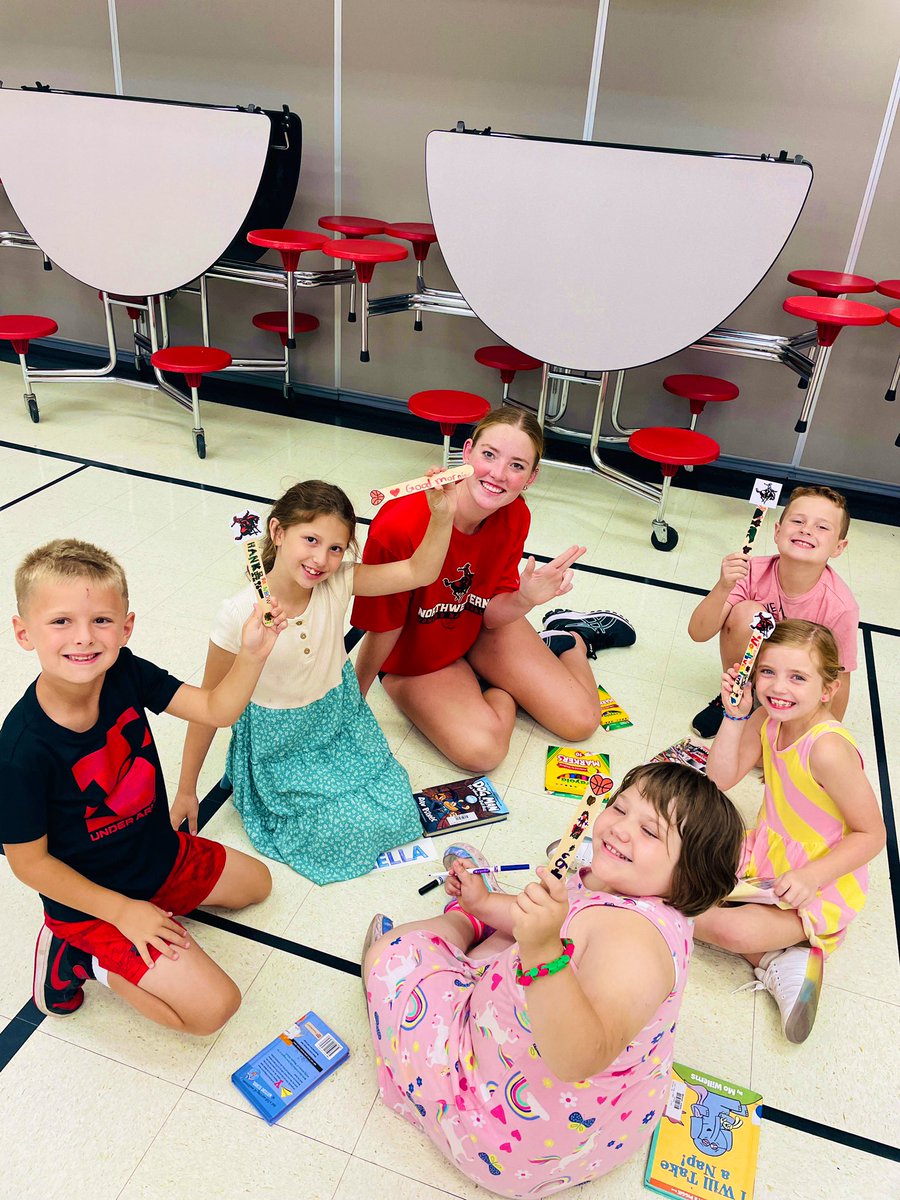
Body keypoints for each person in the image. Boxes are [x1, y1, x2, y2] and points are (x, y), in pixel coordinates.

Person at [362, 762, 744, 1198]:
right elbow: (564, 928)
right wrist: (489, 902)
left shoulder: (633, 942)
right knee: (518, 929)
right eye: (619, 808)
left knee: (394, 954)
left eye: (650, 832)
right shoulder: (637, 894)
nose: (620, 830)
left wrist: (542, 948)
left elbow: (580, 1057)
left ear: (691, 876)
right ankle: (480, 918)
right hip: (605, 1127)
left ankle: (461, 925)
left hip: (500, 1140)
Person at [0, 538, 285, 1032]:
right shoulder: (19, 751)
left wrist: (253, 653)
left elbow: (216, 709)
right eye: (61, 621)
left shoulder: (126, 671)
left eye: (102, 621)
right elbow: (29, 863)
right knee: (212, 1009)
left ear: (126, 626)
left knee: (258, 885)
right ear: (25, 633)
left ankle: (155, 907)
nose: (85, 638)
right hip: (93, 902)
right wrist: (123, 912)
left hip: (159, 856)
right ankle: (77, 957)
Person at [172, 477, 456, 885]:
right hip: (280, 746)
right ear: (277, 532)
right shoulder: (237, 613)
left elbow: (419, 570)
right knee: (333, 834)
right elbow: (206, 705)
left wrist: (441, 515)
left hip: (337, 723)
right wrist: (186, 789)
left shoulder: (339, 580)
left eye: (335, 548)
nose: (321, 559)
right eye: (310, 539)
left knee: (396, 810)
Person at [352, 408, 635, 772]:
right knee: (482, 753)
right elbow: (382, 624)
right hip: (414, 658)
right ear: (466, 452)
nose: (498, 474)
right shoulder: (399, 524)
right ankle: (490, 683)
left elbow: (489, 611)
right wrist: (354, 699)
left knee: (581, 722)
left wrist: (525, 598)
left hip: (477, 629)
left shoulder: (515, 515)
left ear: (532, 477)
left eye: (517, 465)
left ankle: (571, 638)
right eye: (489, 455)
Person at [696, 620, 885, 1043]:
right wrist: (733, 714)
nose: (778, 687)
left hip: (819, 878)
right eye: (768, 672)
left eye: (797, 677)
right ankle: (777, 961)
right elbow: (721, 776)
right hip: (765, 853)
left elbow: (872, 834)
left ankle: (658, 901)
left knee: (732, 930)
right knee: (690, 837)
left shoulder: (827, 748)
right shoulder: (767, 717)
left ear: (828, 689)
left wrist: (811, 877)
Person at [688, 485, 858, 737]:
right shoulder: (752, 571)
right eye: (798, 520)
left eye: (822, 527)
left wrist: (825, 734)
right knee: (745, 613)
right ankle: (740, 694)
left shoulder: (841, 606)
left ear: (839, 547)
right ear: (777, 532)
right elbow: (698, 632)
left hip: (798, 680)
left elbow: (840, 678)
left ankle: (777, 709)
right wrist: (723, 586)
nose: (806, 529)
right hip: (755, 668)